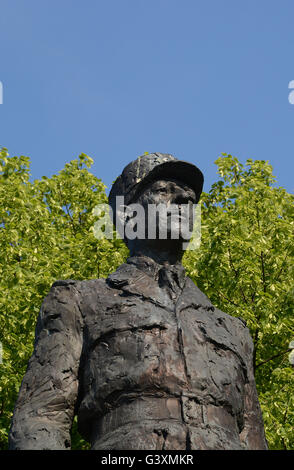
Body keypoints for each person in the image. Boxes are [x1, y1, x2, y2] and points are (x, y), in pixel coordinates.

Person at [8, 153, 268, 450]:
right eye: (163, 191)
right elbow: (41, 418)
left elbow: (253, 437)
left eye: (189, 197)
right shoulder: (80, 301)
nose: (184, 200)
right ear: (126, 216)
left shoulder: (233, 330)